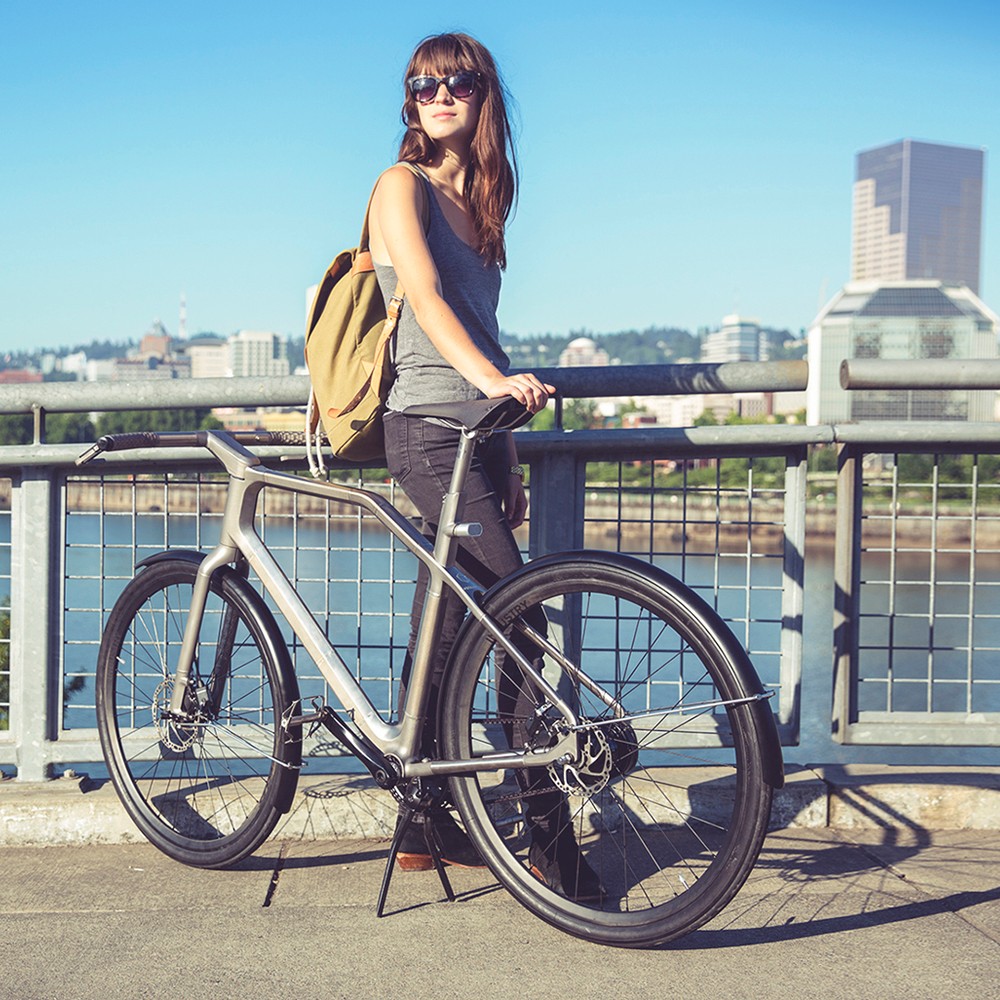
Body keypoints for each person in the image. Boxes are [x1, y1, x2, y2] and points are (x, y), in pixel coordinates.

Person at [367, 32, 602, 901]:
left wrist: (503, 440)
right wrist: (494, 386)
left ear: (483, 95)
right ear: (409, 101)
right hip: (425, 431)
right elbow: (424, 296)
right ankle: (544, 833)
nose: (438, 93)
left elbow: (483, 327)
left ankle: (425, 826)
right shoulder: (403, 187)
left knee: (453, 630)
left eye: (455, 81)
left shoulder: (488, 203)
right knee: (517, 622)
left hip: (475, 436)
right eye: (422, 83)